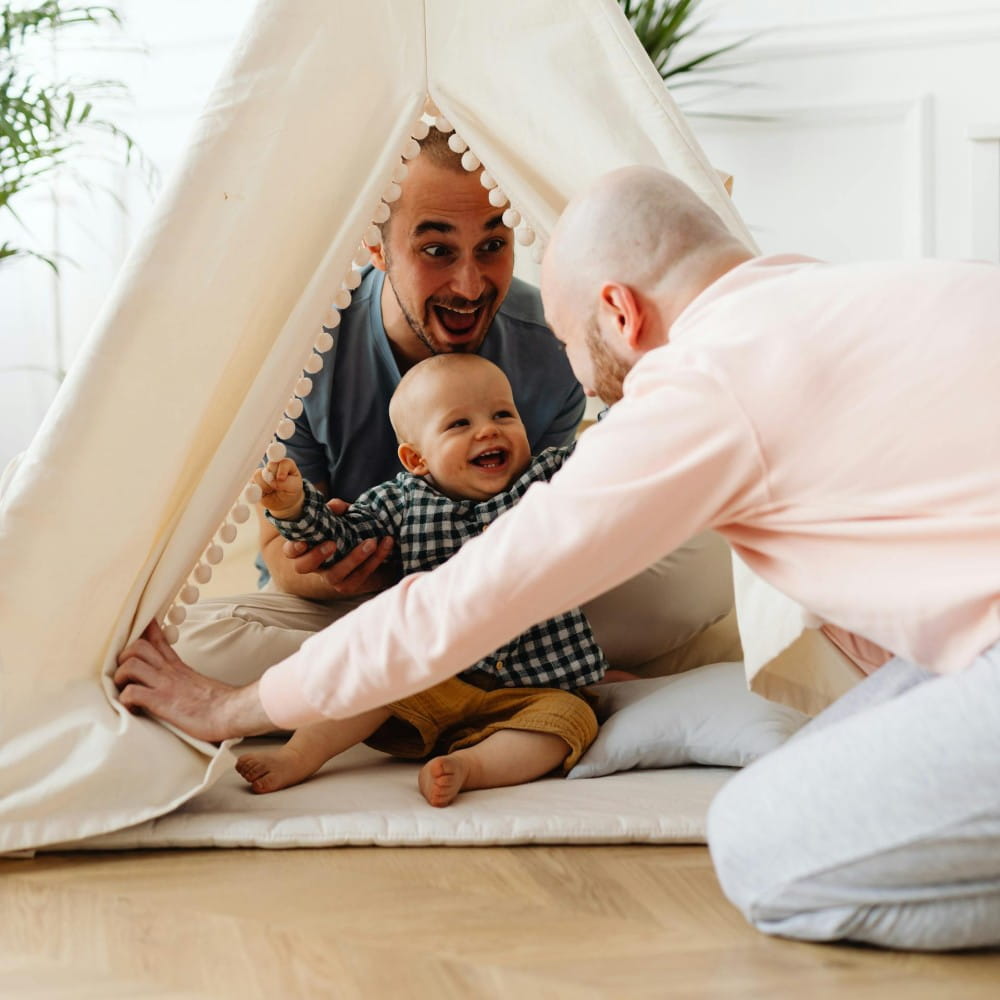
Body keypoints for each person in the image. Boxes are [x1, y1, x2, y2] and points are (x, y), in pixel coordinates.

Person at [117, 163, 1000, 952]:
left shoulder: (700, 384)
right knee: (838, 750)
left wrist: (233, 706)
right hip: (965, 646)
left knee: (757, 844)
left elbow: (478, 592)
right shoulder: (883, 288)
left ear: (621, 311)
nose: (575, 377)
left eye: (577, 346)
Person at [173, 126, 735, 688]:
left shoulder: (551, 344)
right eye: (436, 251)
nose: (469, 287)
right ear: (376, 247)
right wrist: (351, 574)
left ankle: (419, 685)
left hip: (502, 597)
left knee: (711, 561)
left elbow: (555, 517)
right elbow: (280, 553)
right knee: (196, 641)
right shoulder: (304, 348)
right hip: (354, 607)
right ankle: (454, 681)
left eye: (492, 246)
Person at [237, 353, 606, 805]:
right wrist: (295, 508)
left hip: (534, 687)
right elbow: (342, 540)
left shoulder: (547, 478)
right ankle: (298, 755)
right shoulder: (400, 502)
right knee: (366, 676)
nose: (488, 431)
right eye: (459, 424)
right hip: (430, 676)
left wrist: (631, 385)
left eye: (503, 415)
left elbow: (610, 452)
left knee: (572, 720)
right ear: (416, 459)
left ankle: (470, 767)